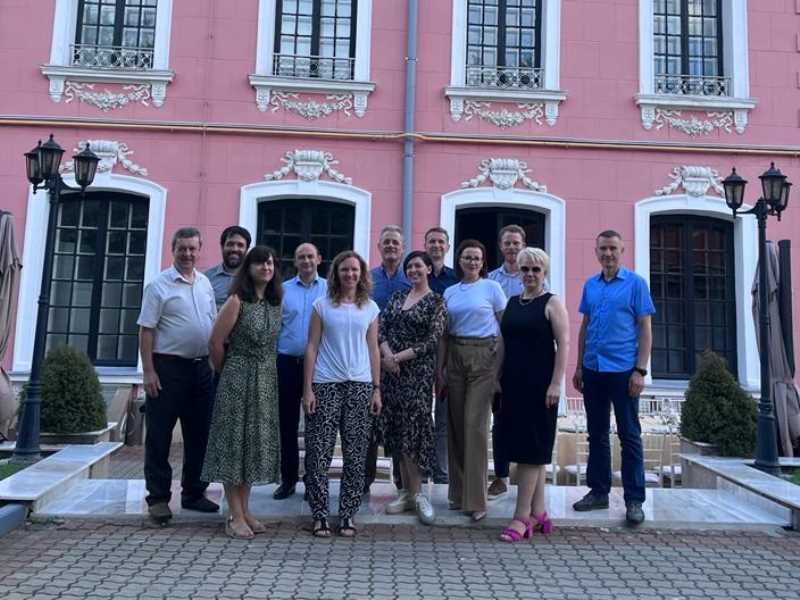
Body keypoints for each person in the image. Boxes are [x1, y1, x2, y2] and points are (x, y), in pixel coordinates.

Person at [572, 230, 655, 525]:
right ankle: (598, 492)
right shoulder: (590, 285)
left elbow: (645, 328)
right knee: (596, 434)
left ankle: (634, 500)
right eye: (603, 249)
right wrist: (579, 366)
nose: (608, 254)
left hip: (623, 371)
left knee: (629, 435)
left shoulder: (636, 284)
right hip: (593, 369)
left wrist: (640, 370)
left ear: (622, 251)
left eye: (613, 249)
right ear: (596, 252)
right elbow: (585, 326)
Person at [137, 227, 219, 524]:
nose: (187, 254)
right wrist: (148, 371)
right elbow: (146, 330)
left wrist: (212, 363)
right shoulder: (158, 286)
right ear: (173, 250)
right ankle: (158, 498)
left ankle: (194, 493)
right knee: (159, 435)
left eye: (192, 249)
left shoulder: (205, 283)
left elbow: (211, 322)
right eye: (182, 248)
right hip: (167, 369)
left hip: (201, 369)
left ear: (199, 250)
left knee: (200, 435)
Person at [202, 246, 283, 539]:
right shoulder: (236, 301)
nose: (266, 267)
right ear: (248, 268)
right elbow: (215, 341)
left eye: (270, 263)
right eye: (260, 263)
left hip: (264, 381)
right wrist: (227, 371)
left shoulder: (274, 303)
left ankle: (246, 510)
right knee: (233, 446)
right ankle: (234, 515)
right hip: (237, 379)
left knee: (250, 447)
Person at [303, 251, 382, 538]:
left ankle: (347, 514)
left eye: (354, 270)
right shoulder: (321, 306)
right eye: (345, 270)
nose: (350, 274)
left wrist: (376, 389)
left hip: (360, 385)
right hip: (326, 384)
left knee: (356, 454)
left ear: (362, 274)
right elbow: (312, 346)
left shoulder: (370, 308)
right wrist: (307, 389)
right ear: (336, 273)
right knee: (319, 453)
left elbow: (373, 349)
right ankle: (320, 514)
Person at [496, 248, 569, 542]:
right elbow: (502, 343)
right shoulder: (512, 302)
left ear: (544, 273)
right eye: (525, 269)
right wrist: (496, 378)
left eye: (535, 270)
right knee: (527, 449)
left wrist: (556, 384)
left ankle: (521, 516)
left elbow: (564, 344)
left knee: (532, 450)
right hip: (513, 384)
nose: (529, 274)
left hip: (540, 387)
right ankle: (538, 512)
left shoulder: (552, 303)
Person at [438, 239, 506, 522]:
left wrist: (499, 372)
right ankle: (458, 494)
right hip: (455, 355)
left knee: (474, 426)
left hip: (483, 357)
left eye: (477, 258)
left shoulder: (492, 288)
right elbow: (444, 335)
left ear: (483, 262)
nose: (472, 262)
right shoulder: (450, 292)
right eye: (467, 257)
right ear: (459, 260)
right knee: (456, 426)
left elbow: (503, 330)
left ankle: (477, 500)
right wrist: (439, 370)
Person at [378, 251, 447, 525]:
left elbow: (432, 339)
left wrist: (398, 357)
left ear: (429, 269)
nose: (413, 270)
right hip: (391, 374)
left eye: (418, 266)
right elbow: (381, 329)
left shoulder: (436, 301)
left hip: (417, 375)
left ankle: (419, 494)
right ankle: (405, 492)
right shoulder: (397, 297)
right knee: (397, 429)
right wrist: (387, 357)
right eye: (409, 267)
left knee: (414, 430)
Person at [273, 243, 327, 500]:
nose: (306, 261)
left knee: (317, 426)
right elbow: (275, 327)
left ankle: (313, 480)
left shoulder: (329, 289)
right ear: (295, 262)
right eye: (301, 257)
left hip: (319, 366)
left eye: (310, 256)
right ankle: (288, 480)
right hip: (286, 363)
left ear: (319, 259)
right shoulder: (282, 290)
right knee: (287, 425)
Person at [365, 225, 411, 493]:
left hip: (403, 361)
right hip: (370, 356)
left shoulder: (412, 278)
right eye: (387, 242)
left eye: (396, 242)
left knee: (400, 421)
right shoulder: (368, 279)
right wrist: (381, 354)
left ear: (402, 248)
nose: (391, 246)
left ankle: (402, 483)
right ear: (379, 247)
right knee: (370, 419)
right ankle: (364, 481)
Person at [487, 224, 525, 500]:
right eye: (507, 243)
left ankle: (525, 477)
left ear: (523, 246)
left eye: (516, 243)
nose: (512, 247)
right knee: (499, 420)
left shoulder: (534, 276)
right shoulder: (490, 280)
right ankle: (500, 476)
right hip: (495, 355)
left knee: (524, 418)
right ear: (501, 246)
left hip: (524, 355)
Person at [424, 226, 458, 485]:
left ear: (447, 246)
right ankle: (422, 467)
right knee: (421, 413)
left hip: (449, 352)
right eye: (432, 241)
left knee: (445, 414)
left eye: (440, 242)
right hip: (419, 353)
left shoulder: (456, 279)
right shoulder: (416, 274)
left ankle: (442, 471)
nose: (436, 246)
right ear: (426, 246)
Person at [204, 226, 251, 309]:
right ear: (222, 247)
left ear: (247, 249)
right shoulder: (206, 278)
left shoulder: (254, 278)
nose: (235, 249)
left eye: (240, 245)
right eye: (230, 244)